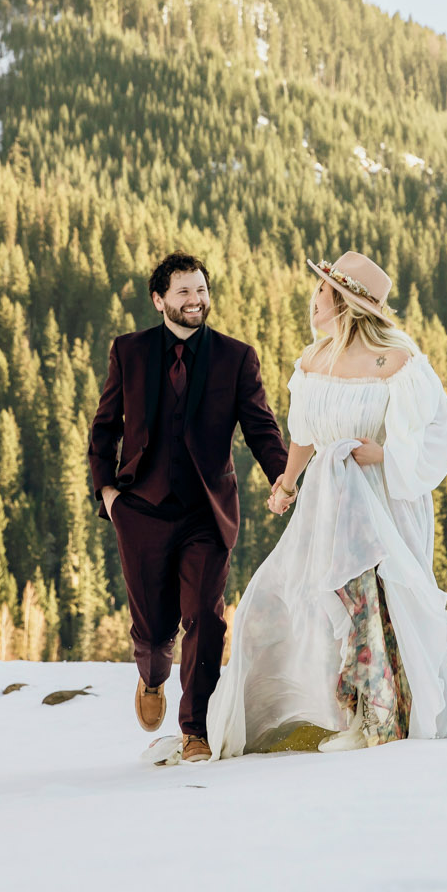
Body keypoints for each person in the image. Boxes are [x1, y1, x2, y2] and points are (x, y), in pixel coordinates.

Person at [205, 251, 447, 758]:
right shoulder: (313, 360)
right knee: (307, 601)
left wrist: (386, 456)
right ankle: (346, 711)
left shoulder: (397, 359)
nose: (313, 300)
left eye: (322, 292)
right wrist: (286, 484)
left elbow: (440, 434)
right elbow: (302, 434)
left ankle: (382, 716)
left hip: (382, 500)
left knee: (379, 605)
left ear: (343, 302)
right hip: (329, 500)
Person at [88, 253, 288, 764]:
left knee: (204, 616)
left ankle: (194, 728)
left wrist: (286, 480)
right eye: (183, 292)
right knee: (154, 632)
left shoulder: (235, 357)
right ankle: (152, 676)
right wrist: (108, 494)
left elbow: (261, 427)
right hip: (140, 510)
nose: (195, 300)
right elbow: (105, 427)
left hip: (207, 509)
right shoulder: (128, 352)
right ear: (159, 301)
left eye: (200, 289)